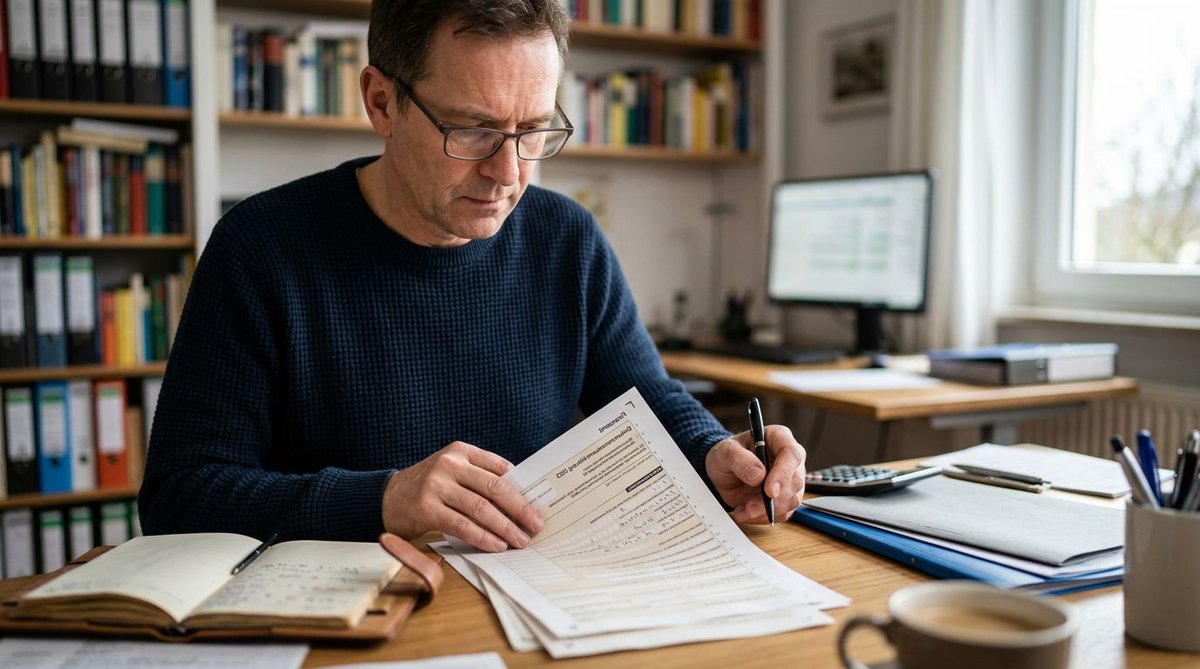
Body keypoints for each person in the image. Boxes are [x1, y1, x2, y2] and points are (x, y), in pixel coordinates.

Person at [138, 0, 807, 553]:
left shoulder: (567, 239)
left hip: (540, 606)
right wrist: (383, 499)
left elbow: (645, 397)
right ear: (381, 102)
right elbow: (179, 495)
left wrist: (715, 451)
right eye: (471, 130)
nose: (508, 172)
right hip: (356, 618)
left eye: (533, 130)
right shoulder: (259, 248)